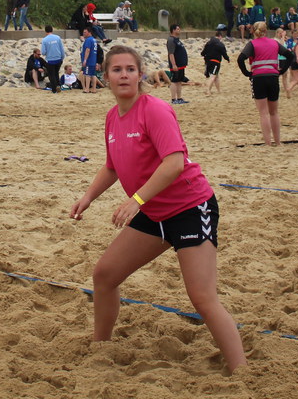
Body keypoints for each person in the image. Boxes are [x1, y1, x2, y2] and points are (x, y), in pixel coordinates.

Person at [68, 45, 246, 373]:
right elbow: (112, 166)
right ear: (105, 76)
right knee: (105, 275)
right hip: (154, 213)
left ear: (140, 75)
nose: (124, 75)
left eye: (130, 69)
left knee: (202, 297)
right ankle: (100, 347)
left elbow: (174, 164)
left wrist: (135, 200)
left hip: (190, 208)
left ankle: (241, 371)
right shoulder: (112, 117)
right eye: (117, 70)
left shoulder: (155, 110)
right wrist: (88, 197)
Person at [237, 21, 291, 145]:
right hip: (273, 77)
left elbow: (240, 59)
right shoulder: (274, 43)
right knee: (274, 112)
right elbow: (290, 56)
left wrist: (247, 73)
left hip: (258, 78)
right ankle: (277, 142)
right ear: (266, 31)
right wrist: (281, 71)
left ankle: (268, 143)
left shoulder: (252, 44)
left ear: (253, 31)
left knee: (263, 113)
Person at [201, 26, 230, 96]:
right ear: (220, 36)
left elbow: (203, 53)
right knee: (213, 76)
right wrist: (228, 59)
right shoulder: (220, 44)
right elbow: (224, 54)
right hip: (215, 62)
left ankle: (218, 91)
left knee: (216, 76)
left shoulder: (208, 43)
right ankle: (207, 90)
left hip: (208, 62)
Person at [166, 24, 189, 105]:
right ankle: (173, 99)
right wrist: (174, 64)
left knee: (179, 81)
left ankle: (179, 98)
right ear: (173, 30)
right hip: (176, 65)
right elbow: (171, 53)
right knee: (174, 81)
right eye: (178, 29)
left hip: (181, 65)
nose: (179, 30)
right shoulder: (171, 40)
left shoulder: (177, 40)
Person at [41, 25, 65, 93]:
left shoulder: (45, 40)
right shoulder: (57, 38)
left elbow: (43, 52)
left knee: (51, 75)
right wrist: (62, 57)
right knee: (56, 73)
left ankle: (54, 89)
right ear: (52, 30)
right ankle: (58, 85)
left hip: (50, 60)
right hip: (58, 58)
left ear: (45, 31)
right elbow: (61, 49)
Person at [80, 27, 99, 93]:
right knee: (93, 75)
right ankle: (94, 89)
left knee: (87, 74)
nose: (83, 33)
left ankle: (87, 89)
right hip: (93, 60)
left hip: (89, 60)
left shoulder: (88, 40)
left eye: (85, 32)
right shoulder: (94, 40)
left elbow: (87, 50)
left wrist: (85, 60)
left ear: (89, 32)